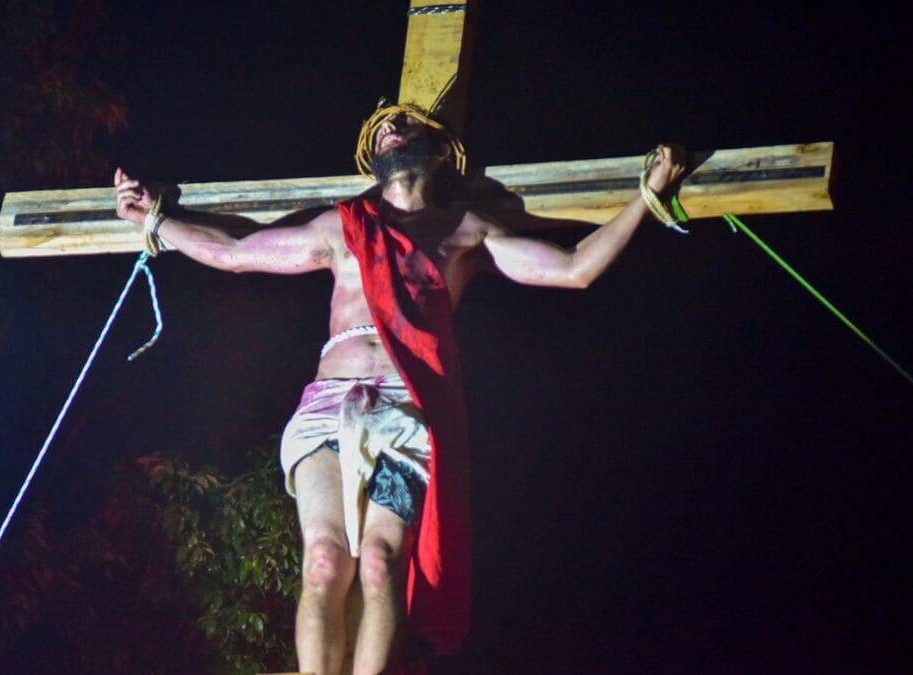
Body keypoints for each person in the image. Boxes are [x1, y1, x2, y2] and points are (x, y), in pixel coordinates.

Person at [114, 101, 685, 675]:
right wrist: (154, 222)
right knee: (322, 562)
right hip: (326, 403)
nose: (391, 127)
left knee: (383, 564)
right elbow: (235, 255)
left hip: (401, 409)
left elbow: (574, 267)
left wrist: (648, 196)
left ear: (439, 150)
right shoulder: (343, 227)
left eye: (406, 122)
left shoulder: (466, 233)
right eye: (382, 128)